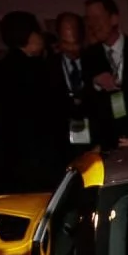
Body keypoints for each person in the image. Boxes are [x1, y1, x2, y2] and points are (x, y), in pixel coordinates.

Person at [0, 11, 65, 192]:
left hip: (12, 161)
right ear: (30, 36)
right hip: (43, 159)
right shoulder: (39, 69)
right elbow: (55, 112)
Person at [81, 0, 128, 149]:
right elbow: (83, 98)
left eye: (97, 18)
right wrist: (96, 83)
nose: (92, 24)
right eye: (89, 19)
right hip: (107, 139)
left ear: (114, 18)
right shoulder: (88, 56)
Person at [53, 12, 94, 156]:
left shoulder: (95, 61)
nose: (71, 49)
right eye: (66, 43)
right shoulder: (49, 66)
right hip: (62, 144)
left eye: (75, 43)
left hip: (94, 141)